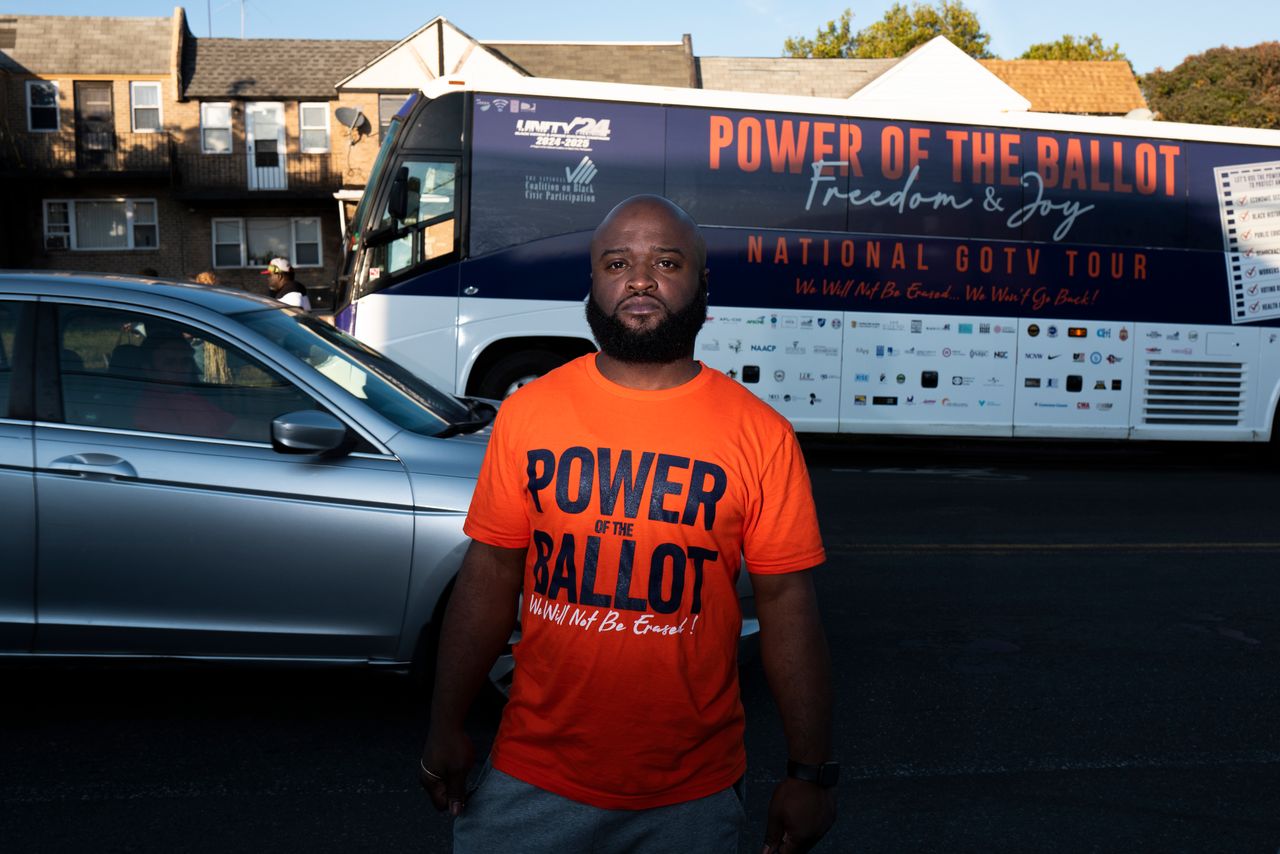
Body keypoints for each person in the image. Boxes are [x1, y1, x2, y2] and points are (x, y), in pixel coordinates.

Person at [420, 195, 836, 854]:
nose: (639, 280)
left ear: (703, 283)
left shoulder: (762, 436)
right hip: (531, 779)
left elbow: (788, 605)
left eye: (666, 262)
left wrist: (810, 772)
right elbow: (490, 573)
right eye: (617, 263)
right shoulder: (530, 415)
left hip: (693, 796)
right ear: (592, 284)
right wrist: (445, 722)